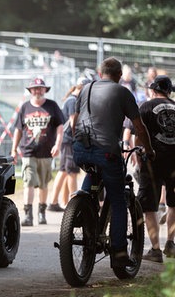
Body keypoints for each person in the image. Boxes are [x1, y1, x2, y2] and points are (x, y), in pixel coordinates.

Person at [70, 57, 156, 268]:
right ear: (119, 76)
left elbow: (75, 121)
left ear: (100, 73)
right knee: (118, 200)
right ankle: (118, 253)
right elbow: (139, 126)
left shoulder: (85, 89)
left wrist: (78, 143)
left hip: (80, 149)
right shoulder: (123, 92)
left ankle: (82, 211)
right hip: (107, 152)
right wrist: (149, 150)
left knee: (92, 173)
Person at [11, 78, 65, 226]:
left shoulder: (52, 106)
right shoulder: (25, 107)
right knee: (28, 181)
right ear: (30, 91)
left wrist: (58, 145)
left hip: (46, 152)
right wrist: (14, 149)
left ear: (45, 90)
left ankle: (42, 212)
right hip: (28, 152)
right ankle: (28, 215)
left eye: (40, 88)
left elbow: (60, 127)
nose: (37, 91)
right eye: (34, 89)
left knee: (43, 184)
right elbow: (18, 130)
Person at [136, 75, 175, 262]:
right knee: (173, 203)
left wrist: (138, 157)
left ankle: (155, 249)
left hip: (153, 160)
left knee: (149, 206)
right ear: (169, 91)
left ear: (153, 90)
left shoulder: (145, 106)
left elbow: (140, 133)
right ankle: (171, 243)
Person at [48, 78, 88, 212]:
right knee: (72, 172)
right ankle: (74, 204)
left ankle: (55, 202)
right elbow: (73, 123)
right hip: (69, 140)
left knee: (64, 171)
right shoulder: (73, 101)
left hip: (67, 140)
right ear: (81, 88)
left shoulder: (72, 99)